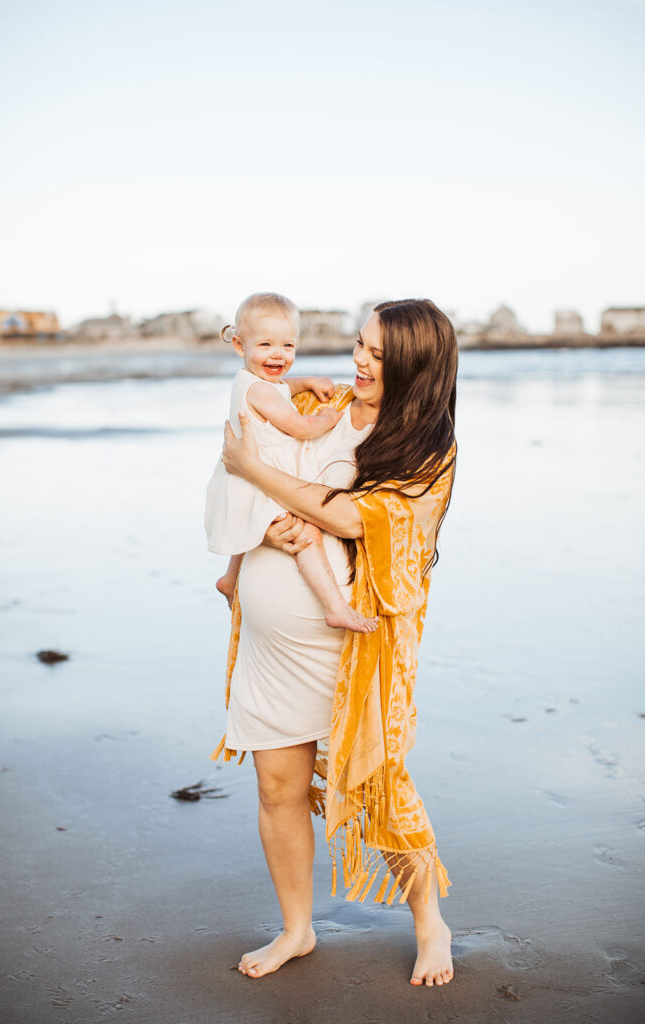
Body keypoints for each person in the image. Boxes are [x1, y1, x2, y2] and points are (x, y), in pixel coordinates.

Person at [213, 298, 458, 988]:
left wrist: (262, 482)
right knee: (276, 788)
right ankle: (297, 928)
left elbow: (356, 519)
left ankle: (428, 924)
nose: (359, 360)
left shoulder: (425, 447)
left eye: (377, 354)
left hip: (349, 652)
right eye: (358, 344)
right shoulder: (326, 399)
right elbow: (251, 447)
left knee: (380, 786)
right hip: (269, 643)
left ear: (414, 364)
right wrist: (266, 524)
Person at [205, 292, 378, 634]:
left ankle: (230, 577)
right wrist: (327, 420)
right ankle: (335, 607)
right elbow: (298, 426)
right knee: (308, 536)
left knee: (252, 523)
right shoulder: (260, 391)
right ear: (240, 346)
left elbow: (282, 388)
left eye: (288, 346)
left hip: (246, 477)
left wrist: (309, 381)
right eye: (266, 345)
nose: (278, 354)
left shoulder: (255, 382)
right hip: (258, 475)